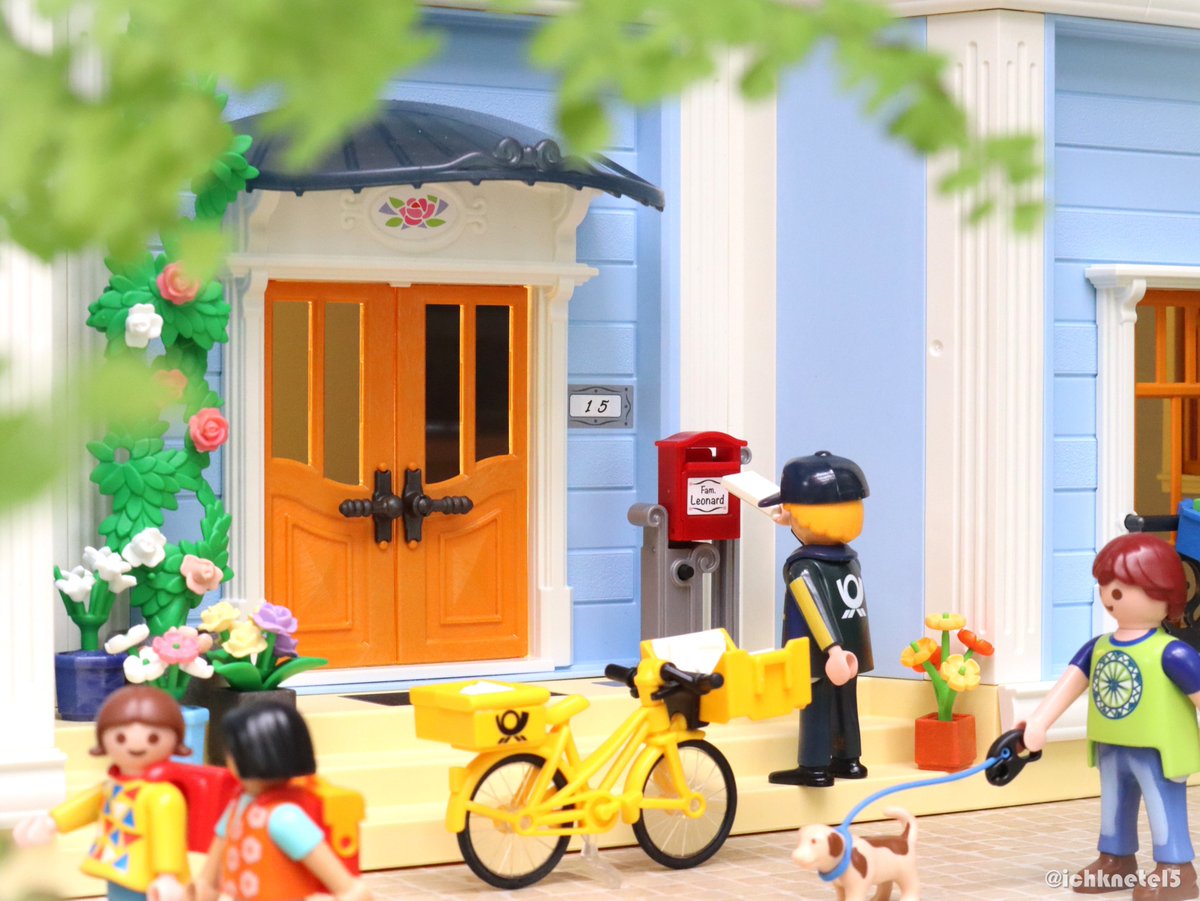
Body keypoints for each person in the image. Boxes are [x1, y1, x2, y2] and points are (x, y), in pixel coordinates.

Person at [1023, 533, 1200, 901]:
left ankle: (1176, 868)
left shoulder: (1172, 653)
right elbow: (1069, 685)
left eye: (1123, 586)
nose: (1110, 594)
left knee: (1162, 804)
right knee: (1113, 803)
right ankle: (1116, 860)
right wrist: (1038, 722)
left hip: (1158, 749)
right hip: (1110, 744)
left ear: (1163, 591)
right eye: (1106, 584)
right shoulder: (1099, 647)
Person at [759, 450, 873, 787]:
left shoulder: (804, 566)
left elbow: (815, 609)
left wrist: (832, 650)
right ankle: (848, 759)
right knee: (845, 704)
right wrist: (791, 517)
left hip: (820, 652)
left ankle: (814, 767)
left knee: (815, 706)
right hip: (852, 651)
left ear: (803, 518)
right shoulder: (848, 560)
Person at [13, 686, 190, 901]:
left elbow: (168, 836)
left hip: (151, 882)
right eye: (121, 738)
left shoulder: (164, 796)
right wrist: (51, 823)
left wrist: (168, 875)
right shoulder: (112, 788)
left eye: (153, 738)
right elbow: (85, 806)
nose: (135, 745)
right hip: (116, 867)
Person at [195, 702, 371, 901]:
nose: (228, 757)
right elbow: (211, 869)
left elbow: (349, 889)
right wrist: (202, 889)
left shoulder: (284, 818)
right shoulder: (239, 805)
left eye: (233, 750)